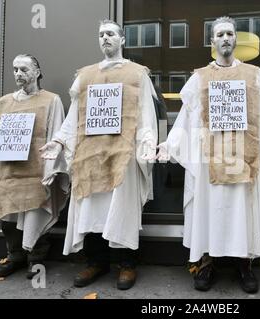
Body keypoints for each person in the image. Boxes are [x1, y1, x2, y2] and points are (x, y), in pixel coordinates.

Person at [157, 16, 260, 293]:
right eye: (219, 34)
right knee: (211, 209)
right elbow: (187, 117)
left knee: (240, 209)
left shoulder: (253, 76)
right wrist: (170, 144)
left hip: (242, 156)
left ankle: (244, 263)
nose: (224, 38)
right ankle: (208, 261)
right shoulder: (200, 78)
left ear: (235, 40)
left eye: (229, 34)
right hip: (210, 157)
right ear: (212, 42)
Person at [40, 20, 158, 290]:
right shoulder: (86, 75)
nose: (105, 38)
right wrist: (59, 142)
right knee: (92, 207)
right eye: (101, 35)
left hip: (123, 153)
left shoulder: (137, 73)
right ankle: (96, 261)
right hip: (90, 154)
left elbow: (145, 114)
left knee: (121, 208)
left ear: (122, 40)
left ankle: (127, 264)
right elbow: (74, 115)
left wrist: (148, 142)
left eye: (111, 34)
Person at [0, 54, 69, 279]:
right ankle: (15, 256)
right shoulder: (4, 102)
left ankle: (35, 257)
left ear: (37, 71)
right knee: (8, 213)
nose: (18, 74)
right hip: (8, 169)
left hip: (35, 170)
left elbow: (57, 133)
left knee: (34, 210)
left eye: (24, 69)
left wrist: (52, 168)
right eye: (15, 70)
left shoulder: (51, 100)